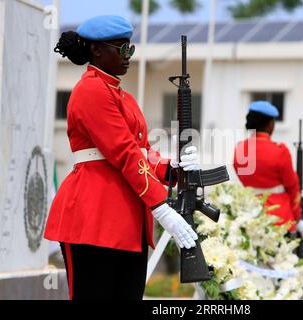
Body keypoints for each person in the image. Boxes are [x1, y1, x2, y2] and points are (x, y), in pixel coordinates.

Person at [44, 15, 199, 300]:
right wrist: (161, 206)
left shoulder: (121, 96)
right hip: (93, 216)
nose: (128, 56)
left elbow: (139, 151)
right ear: (97, 51)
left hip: (126, 219)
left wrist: (169, 168)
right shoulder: (91, 90)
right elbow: (123, 152)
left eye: (131, 48)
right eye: (122, 49)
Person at [233, 101, 301, 232]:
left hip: (249, 214)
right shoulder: (280, 151)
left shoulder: (240, 149)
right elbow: (292, 186)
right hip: (278, 218)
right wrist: (297, 216)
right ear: (270, 125)